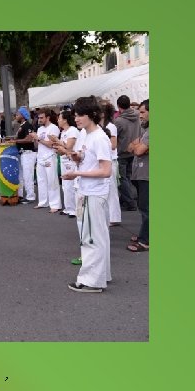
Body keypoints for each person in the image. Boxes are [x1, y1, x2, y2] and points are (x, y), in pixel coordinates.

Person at [64, 96, 113, 292]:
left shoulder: (99, 138)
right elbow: (90, 160)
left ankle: (92, 281)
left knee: (91, 238)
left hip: (93, 193)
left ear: (91, 115)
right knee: (98, 236)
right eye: (75, 115)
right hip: (89, 191)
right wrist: (78, 157)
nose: (76, 118)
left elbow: (106, 170)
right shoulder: (88, 135)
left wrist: (76, 172)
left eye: (80, 115)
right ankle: (102, 275)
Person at [127, 99, 149, 253]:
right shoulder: (146, 130)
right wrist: (138, 145)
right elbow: (131, 146)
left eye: (142, 112)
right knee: (143, 208)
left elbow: (138, 150)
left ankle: (145, 240)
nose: (139, 115)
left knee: (146, 208)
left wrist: (139, 146)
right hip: (141, 174)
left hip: (147, 175)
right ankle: (144, 233)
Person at [51, 109, 80, 219]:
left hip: (71, 160)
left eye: (59, 118)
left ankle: (74, 209)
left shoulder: (72, 131)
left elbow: (69, 147)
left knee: (71, 185)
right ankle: (68, 208)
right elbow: (63, 147)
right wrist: (57, 147)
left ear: (65, 120)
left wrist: (57, 141)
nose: (58, 120)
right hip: (63, 159)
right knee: (65, 185)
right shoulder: (63, 132)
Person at [114, 95, 141, 211]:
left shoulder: (119, 121)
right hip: (134, 151)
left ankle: (130, 202)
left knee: (122, 179)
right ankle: (128, 199)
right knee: (129, 177)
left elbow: (114, 137)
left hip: (122, 153)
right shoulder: (138, 117)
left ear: (119, 106)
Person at [33, 108, 62, 213]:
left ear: (48, 117)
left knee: (52, 180)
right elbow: (38, 144)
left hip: (50, 156)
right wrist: (35, 139)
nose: (39, 120)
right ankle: (43, 201)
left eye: (41, 117)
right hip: (40, 156)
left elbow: (51, 144)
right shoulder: (40, 129)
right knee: (41, 181)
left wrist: (38, 139)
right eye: (38, 118)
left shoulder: (53, 128)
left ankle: (55, 204)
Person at [101, 103, 122, 225]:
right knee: (105, 190)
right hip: (105, 160)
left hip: (111, 160)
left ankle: (114, 217)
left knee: (112, 190)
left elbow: (113, 145)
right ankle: (108, 216)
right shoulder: (101, 126)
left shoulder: (111, 126)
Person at [14, 106, 37, 203]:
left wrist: (16, 141)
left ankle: (30, 196)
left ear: (23, 116)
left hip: (28, 153)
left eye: (18, 114)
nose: (16, 116)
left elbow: (29, 139)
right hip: (23, 154)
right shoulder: (22, 125)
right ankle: (23, 194)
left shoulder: (27, 125)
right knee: (23, 176)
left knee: (28, 175)